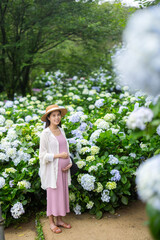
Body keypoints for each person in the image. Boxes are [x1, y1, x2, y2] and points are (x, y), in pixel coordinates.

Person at [39, 104, 72, 234]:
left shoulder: (61, 130)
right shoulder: (45, 134)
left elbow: (66, 150)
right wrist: (58, 156)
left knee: (62, 195)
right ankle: (51, 222)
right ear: (48, 117)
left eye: (58, 115)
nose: (57, 117)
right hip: (52, 172)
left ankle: (59, 220)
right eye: (53, 115)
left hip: (64, 171)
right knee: (53, 195)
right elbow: (42, 156)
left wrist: (69, 163)